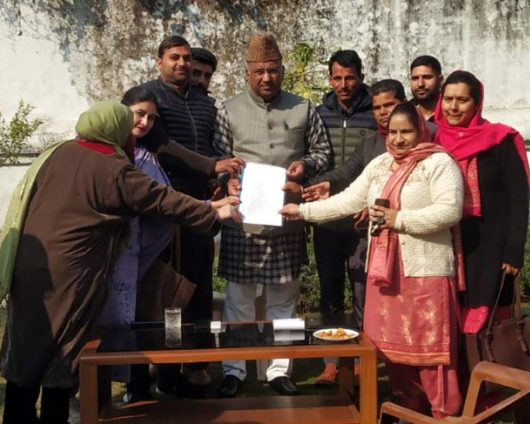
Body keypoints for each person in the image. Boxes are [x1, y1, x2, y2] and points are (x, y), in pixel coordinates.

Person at [0, 101, 241, 423]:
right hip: (69, 277)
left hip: (30, 269)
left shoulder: (58, 153)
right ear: (117, 130)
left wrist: (208, 205)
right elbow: (158, 198)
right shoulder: (110, 167)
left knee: (25, 354)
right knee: (62, 353)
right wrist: (211, 213)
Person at [281, 103, 464, 418]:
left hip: (425, 271)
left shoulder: (439, 163)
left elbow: (450, 211)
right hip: (386, 273)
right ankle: (408, 408)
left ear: (421, 130)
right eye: (393, 132)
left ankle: (444, 414)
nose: (398, 139)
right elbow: (349, 199)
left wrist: (397, 219)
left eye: (406, 131)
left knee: (431, 351)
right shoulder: (381, 164)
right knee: (393, 351)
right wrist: (302, 211)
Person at [216, 33, 331, 397]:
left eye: (273, 71)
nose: (267, 78)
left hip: (286, 217)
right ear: (247, 73)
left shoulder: (303, 108)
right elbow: (218, 159)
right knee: (239, 298)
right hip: (244, 220)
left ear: (282, 71)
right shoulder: (228, 110)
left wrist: (304, 164)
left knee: (285, 299)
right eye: (259, 71)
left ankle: (280, 369)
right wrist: (228, 180)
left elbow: (322, 152)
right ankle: (234, 369)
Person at [140, 36, 243, 392]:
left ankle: (198, 363)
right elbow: (162, 147)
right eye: (174, 58)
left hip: (205, 206)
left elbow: (217, 148)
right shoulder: (152, 98)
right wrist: (211, 164)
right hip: (167, 208)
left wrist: (218, 177)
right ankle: (163, 368)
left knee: (199, 285)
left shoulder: (203, 103)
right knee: (169, 289)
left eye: (186, 58)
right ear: (159, 62)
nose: (182, 64)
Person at [433, 70, 530, 342]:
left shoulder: (501, 140)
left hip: (490, 243)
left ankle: (488, 377)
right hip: (445, 239)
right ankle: (456, 380)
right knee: (446, 310)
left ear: (476, 103)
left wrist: (514, 250)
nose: (453, 107)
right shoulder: (431, 140)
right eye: (448, 99)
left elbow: (518, 198)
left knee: (489, 315)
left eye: (462, 100)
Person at [311, 49, 376, 384]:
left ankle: (362, 356)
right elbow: (311, 158)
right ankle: (331, 361)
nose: (344, 84)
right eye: (337, 77)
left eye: (350, 77)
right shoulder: (319, 114)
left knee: (363, 292)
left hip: (362, 220)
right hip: (326, 219)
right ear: (330, 79)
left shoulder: (375, 115)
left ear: (361, 77)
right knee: (330, 292)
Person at [409, 55, 443, 122]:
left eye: (427, 77)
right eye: (415, 78)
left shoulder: (452, 113)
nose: (420, 84)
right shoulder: (405, 114)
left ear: (440, 80)